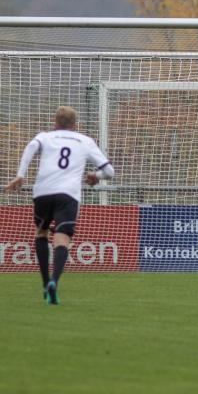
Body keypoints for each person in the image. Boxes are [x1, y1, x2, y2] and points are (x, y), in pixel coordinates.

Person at [4, 106, 115, 305]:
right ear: (75, 124)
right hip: (68, 194)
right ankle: (54, 281)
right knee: (62, 238)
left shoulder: (45, 137)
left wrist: (20, 174)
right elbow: (109, 172)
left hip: (43, 192)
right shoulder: (85, 141)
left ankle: (45, 283)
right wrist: (95, 175)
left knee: (41, 232)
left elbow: (31, 147)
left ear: (55, 122)